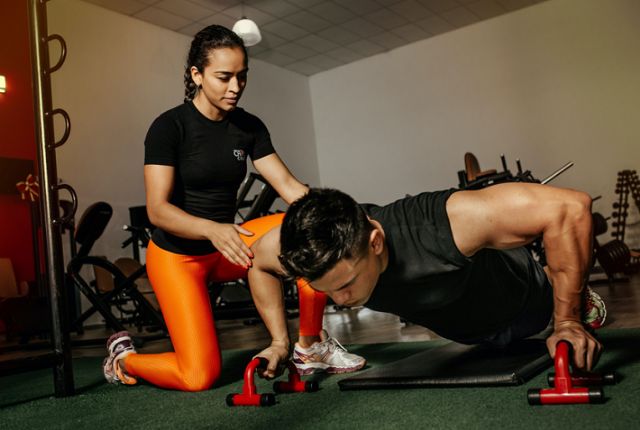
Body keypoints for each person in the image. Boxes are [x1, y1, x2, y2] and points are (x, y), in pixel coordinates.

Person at [102, 25, 364, 391]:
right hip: (179, 258)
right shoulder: (169, 127)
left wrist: (342, 215)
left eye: (242, 76)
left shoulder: (248, 126)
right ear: (197, 74)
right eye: (224, 77)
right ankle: (124, 358)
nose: (235, 87)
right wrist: (212, 228)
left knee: (309, 230)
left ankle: (310, 346)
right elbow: (157, 211)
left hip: (231, 246)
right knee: (198, 376)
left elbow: (289, 187)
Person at [247, 183, 606, 377]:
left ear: (375, 242)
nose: (340, 301)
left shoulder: (444, 223)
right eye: (327, 290)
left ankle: (580, 301)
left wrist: (568, 321)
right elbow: (257, 264)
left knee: (556, 305)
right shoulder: (305, 246)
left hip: (529, 303)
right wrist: (280, 341)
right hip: (469, 333)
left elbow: (570, 208)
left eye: (346, 285)